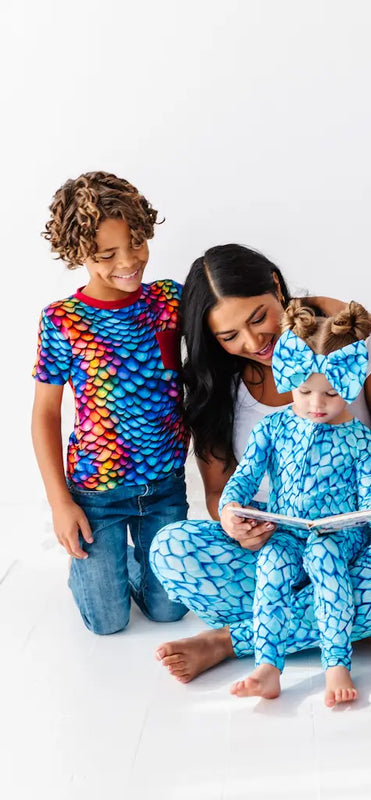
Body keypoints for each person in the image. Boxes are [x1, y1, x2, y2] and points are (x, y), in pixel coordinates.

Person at [150, 244, 371, 683]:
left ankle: (229, 641)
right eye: (229, 337)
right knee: (171, 548)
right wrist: (234, 524)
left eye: (258, 317)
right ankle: (353, 627)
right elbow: (219, 491)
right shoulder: (217, 385)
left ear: (276, 288)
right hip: (269, 548)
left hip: (349, 548)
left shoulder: (352, 345)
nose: (252, 342)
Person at [31, 170, 188, 634]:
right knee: (108, 623)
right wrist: (60, 503)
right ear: (78, 253)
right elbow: (43, 414)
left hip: (164, 487)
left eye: (136, 243)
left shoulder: (168, 301)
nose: (129, 261)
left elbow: (235, 306)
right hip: (95, 494)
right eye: (108, 254)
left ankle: (129, 566)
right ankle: (97, 572)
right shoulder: (61, 320)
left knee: (168, 611)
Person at [223, 300, 371, 706]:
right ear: (290, 381)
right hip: (286, 531)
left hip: (342, 535)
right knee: (272, 563)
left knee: (323, 555)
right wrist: (231, 510)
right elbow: (244, 477)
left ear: (350, 386)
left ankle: (336, 663)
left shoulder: (361, 439)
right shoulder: (274, 426)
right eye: (304, 392)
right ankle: (267, 665)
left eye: (331, 394)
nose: (316, 405)